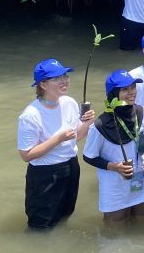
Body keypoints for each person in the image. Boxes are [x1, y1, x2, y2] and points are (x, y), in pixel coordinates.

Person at [17, 58, 95, 230]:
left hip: (70, 166)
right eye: (57, 78)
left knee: (66, 214)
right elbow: (26, 155)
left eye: (65, 76)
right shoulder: (31, 115)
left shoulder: (69, 103)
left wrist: (88, 123)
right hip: (45, 173)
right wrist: (57, 139)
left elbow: (76, 137)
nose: (64, 80)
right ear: (43, 85)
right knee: (41, 225)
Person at [82, 70, 144, 224]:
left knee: (143, 226)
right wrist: (114, 167)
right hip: (115, 187)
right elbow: (89, 156)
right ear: (113, 94)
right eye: (124, 89)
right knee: (114, 232)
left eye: (133, 87)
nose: (131, 92)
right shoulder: (100, 125)